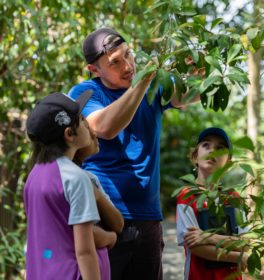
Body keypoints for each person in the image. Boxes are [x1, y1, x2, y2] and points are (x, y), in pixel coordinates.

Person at [68, 27, 197, 280]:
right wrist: (143, 83)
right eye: (115, 63)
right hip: (102, 215)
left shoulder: (153, 85)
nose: (128, 66)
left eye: (128, 55)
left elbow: (189, 95)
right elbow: (105, 128)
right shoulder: (85, 93)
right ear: (94, 70)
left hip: (147, 216)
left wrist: (198, 72)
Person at [24, 91, 104, 280]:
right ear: (69, 134)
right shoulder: (76, 178)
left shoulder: (34, 176)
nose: (87, 125)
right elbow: (84, 252)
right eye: (82, 122)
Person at [176, 127, 248, 280]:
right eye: (206, 145)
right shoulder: (187, 196)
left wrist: (208, 237)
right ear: (195, 156)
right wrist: (238, 257)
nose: (212, 151)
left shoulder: (234, 199)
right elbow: (195, 246)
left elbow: (245, 244)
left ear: (228, 162)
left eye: (220, 148)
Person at [73, 126, 125, 277]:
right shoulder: (68, 179)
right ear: (69, 135)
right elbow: (77, 233)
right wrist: (109, 237)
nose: (94, 134)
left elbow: (118, 224)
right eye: (86, 127)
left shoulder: (90, 179)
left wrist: (95, 195)